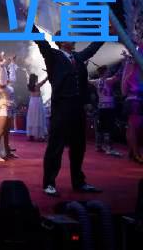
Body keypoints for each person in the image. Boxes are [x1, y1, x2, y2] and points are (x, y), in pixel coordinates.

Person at [33, 27, 106, 196]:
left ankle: (79, 182)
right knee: (56, 146)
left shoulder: (77, 58)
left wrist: (107, 32)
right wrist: (28, 19)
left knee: (79, 146)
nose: (73, 39)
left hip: (77, 107)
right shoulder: (52, 55)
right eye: (69, 36)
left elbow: (92, 48)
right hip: (61, 106)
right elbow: (39, 39)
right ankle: (49, 183)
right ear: (61, 41)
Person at [89, 65, 121, 156]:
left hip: (101, 108)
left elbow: (87, 80)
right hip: (108, 108)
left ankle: (98, 146)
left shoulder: (96, 81)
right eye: (108, 71)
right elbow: (118, 76)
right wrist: (124, 64)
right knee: (108, 127)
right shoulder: (108, 81)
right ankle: (109, 148)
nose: (109, 72)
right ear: (105, 72)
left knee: (100, 127)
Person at [0, 53, 16, 162]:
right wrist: (1, 66)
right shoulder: (0, 83)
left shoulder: (6, 82)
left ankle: (7, 151)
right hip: (3, 108)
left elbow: (13, 78)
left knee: (6, 132)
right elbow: (3, 78)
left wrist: (12, 63)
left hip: (8, 108)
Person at [121, 46, 143, 164]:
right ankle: (135, 153)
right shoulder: (132, 64)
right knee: (134, 127)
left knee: (132, 127)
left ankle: (132, 151)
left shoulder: (129, 63)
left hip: (133, 98)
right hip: (134, 99)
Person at [26, 74, 48, 141]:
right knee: (38, 118)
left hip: (32, 102)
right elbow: (44, 81)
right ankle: (39, 136)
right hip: (37, 102)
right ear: (35, 79)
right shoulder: (37, 85)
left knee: (32, 118)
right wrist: (48, 75)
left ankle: (31, 135)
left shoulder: (29, 86)